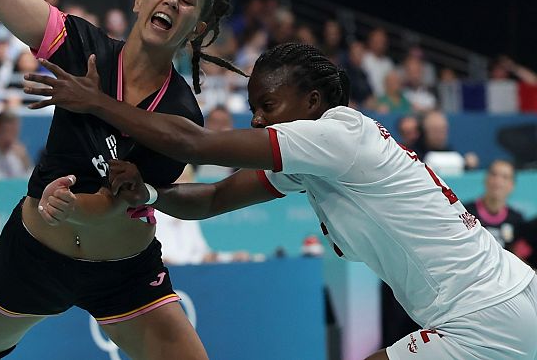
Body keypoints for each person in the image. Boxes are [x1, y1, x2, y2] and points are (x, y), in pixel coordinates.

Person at [27, 42, 537, 360]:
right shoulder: (319, 164)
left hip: (483, 314)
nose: (257, 119)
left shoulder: (338, 137)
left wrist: (95, 103)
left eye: (267, 106)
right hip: (505, 300)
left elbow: (194, 145)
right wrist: (153, 194)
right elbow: (214, 199)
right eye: (253, 108)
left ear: (312, 103)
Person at [0, 0, 244, 360]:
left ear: (195, 28)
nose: (171, 1)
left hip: (121, 272)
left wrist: (70, 207)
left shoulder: (180, 115)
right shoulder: (80, 47)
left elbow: (118, 202)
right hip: (34, 255)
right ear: (141, 0)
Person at [464, 160, 528, 254]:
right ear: (485, 178)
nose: (498, 181)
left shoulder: (517, 220)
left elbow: (521, 257)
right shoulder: (466, 212)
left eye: (505, 177)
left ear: (512, 185)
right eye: (494, 174)